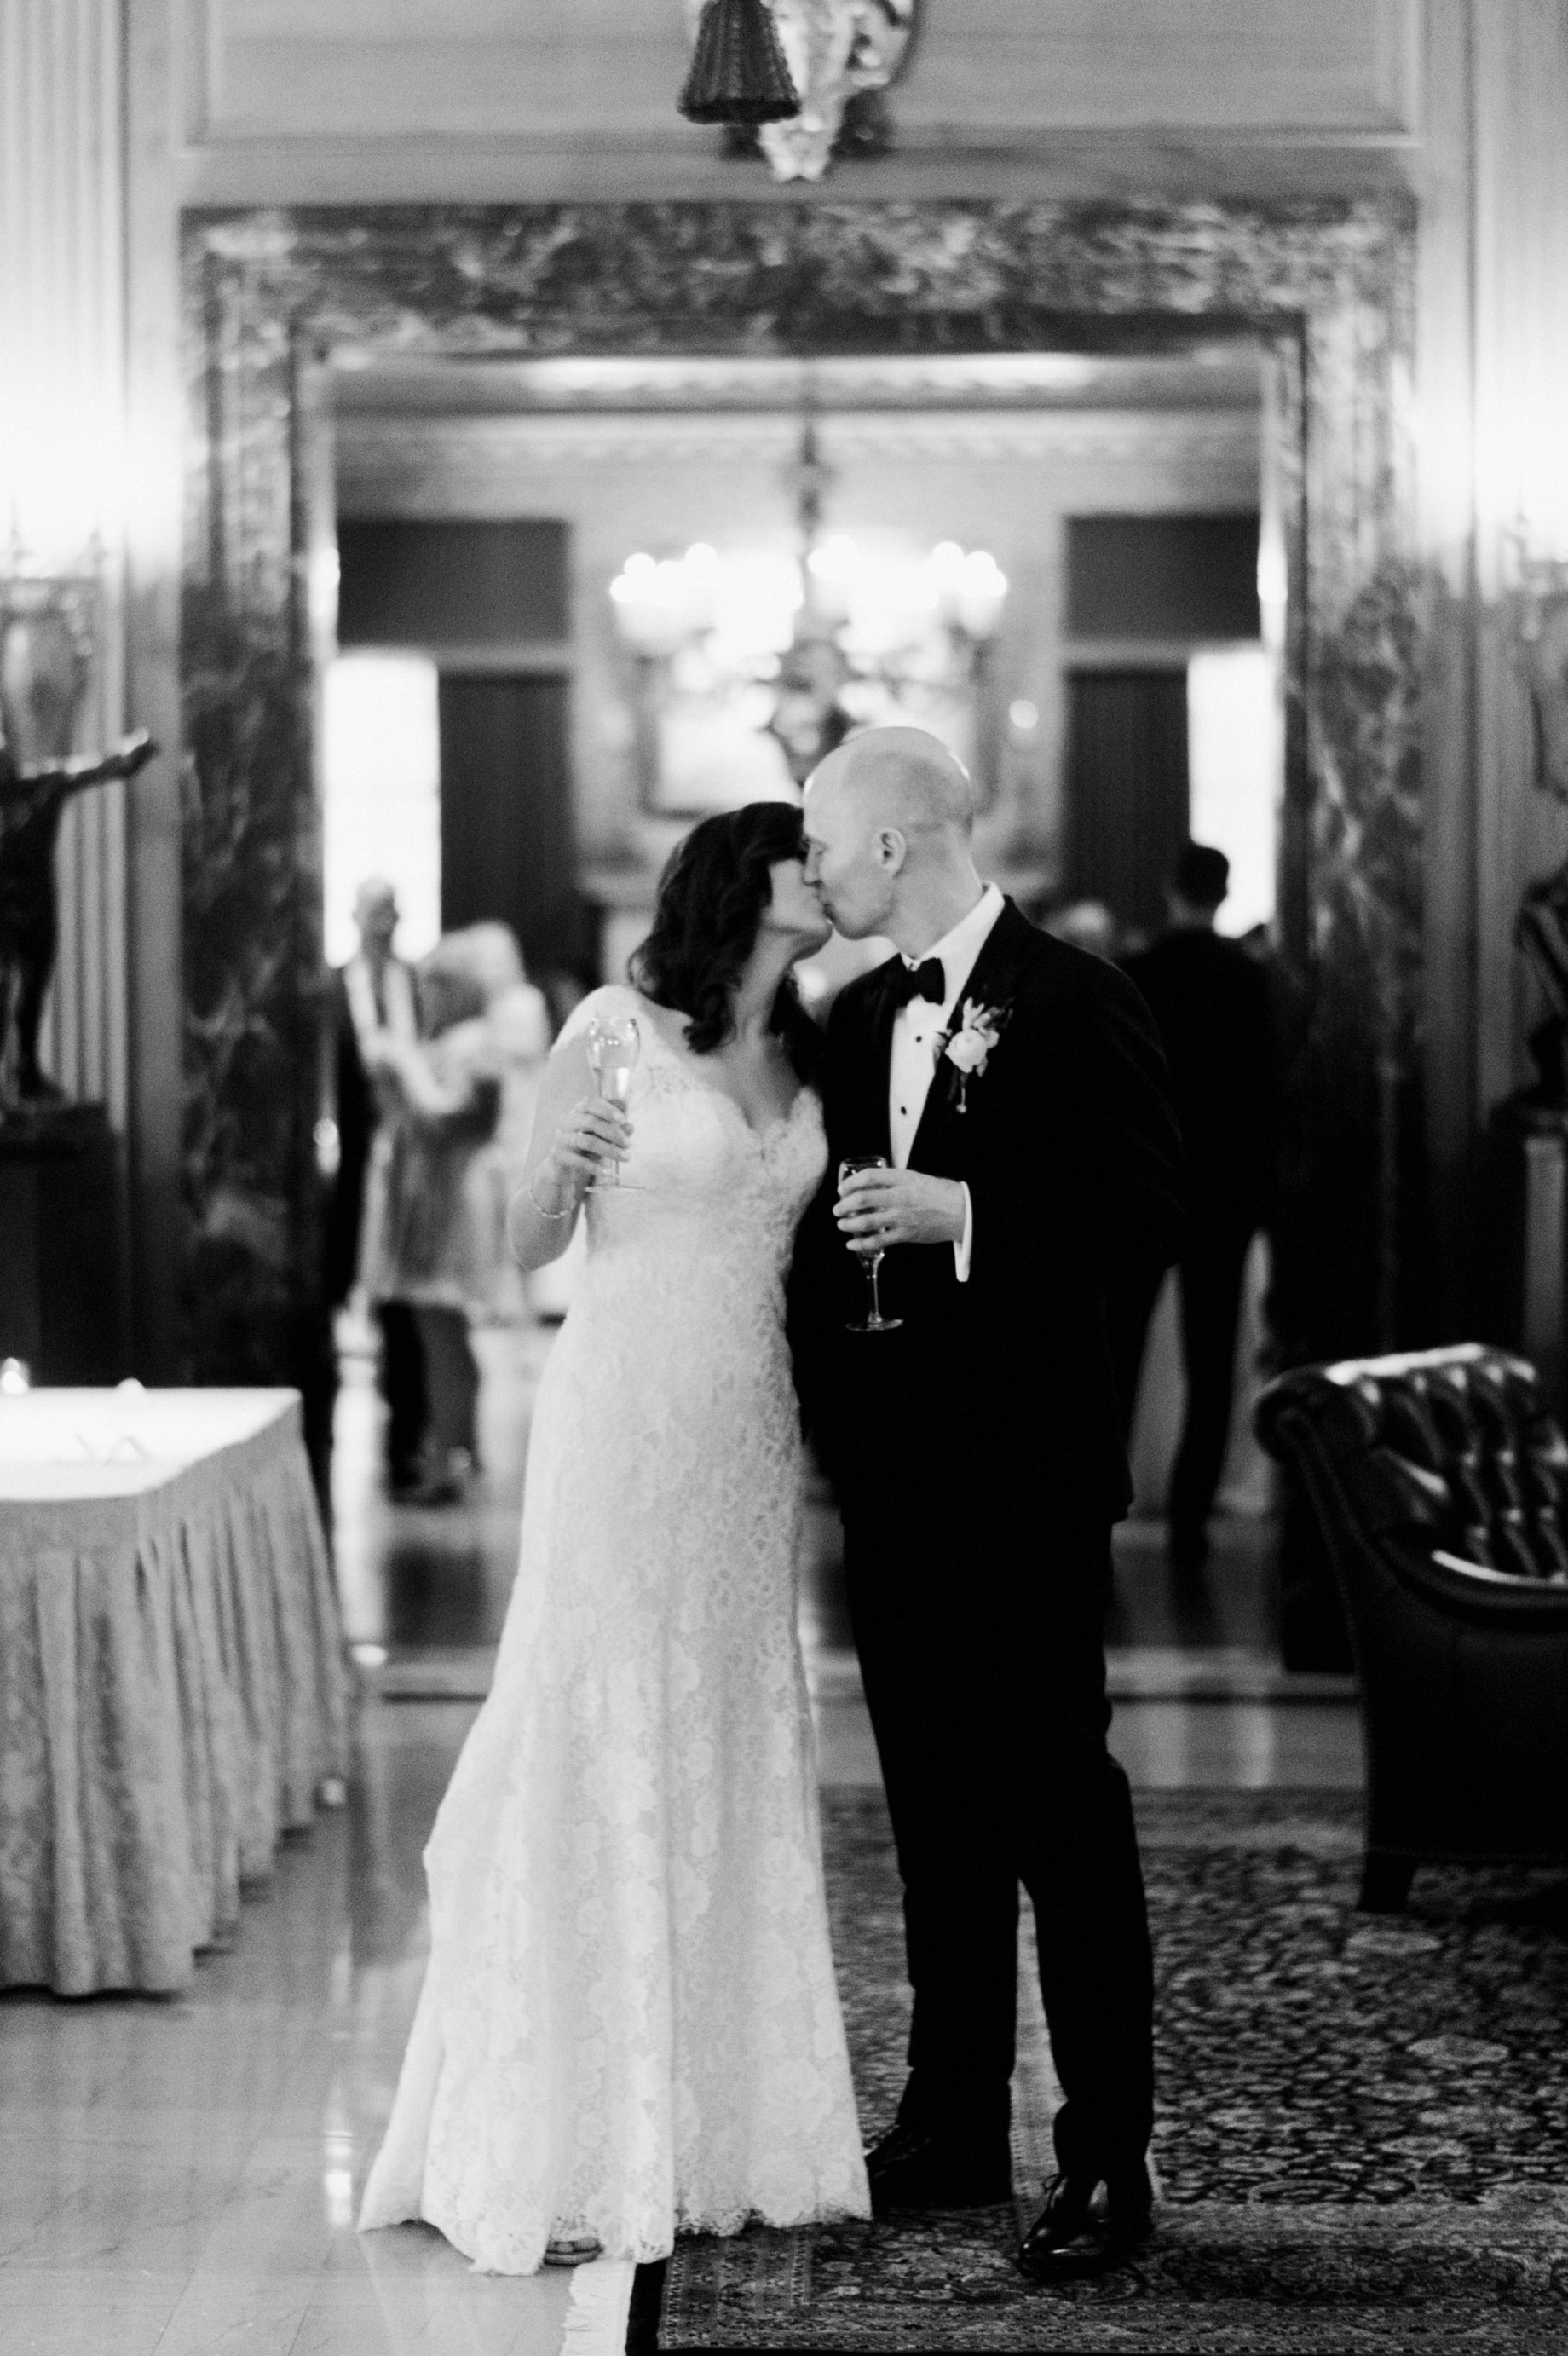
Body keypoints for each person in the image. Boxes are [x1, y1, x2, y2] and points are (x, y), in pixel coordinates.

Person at [358, 802, 870, 2272]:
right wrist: (557, 1170)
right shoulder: (614, 1024)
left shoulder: (820, 1045)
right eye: (803, 857)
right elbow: (519, 1241)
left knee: (731, 1714)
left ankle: (729, 2118)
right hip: (620, 1405)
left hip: (748, 1426)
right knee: (604, 1709)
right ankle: (580, 2117)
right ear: (746, 884)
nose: (824, 875)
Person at [789, 725, 1184, 2284]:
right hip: (890, 1488)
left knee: (1058, 1809)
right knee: (935, 1815)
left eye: (824, 838)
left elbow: (1157, 1207)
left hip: (1025, 1481)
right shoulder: (852, 1014)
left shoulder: (1082, 997)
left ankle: (1109, 2150)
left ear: (893, 842)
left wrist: (968, 1213)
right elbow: (819, 1244)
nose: (813, 866)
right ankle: (951, 2116)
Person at [1117, 841, 1277, 1579]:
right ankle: (1189, 1526)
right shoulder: (1251, 981)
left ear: (1168, 888)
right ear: (1224, 891)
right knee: (1212, 1367)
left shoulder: (1136, 975)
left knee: (1115, 1361)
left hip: (1144, 1191)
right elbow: (1268, 1096)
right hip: (1223, 1193)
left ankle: (1097, 1525)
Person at [358, 933, 505, 1506]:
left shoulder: (475, 1043)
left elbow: (448, 1115)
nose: (428, 999)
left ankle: (452, 1456)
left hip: (454, 1194)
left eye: (435, 987)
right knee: (440, 1331)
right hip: (441, 1190)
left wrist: (404, 1064)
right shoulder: (459, 1040)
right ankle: (457, 1449)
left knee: (442, 1328)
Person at [323, 879, 425, 1493]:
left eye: (390, 913)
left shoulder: (413, 982)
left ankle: (407, 1446)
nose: (382, 925)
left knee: (404, 1304)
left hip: (409, 1161)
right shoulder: (331, 986)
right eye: (372, 914)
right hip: (352, 1162)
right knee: (341, 1287)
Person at [456, 922, 553, 1324]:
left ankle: (525, 1311)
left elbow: (524, 1051)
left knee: (520, 1216)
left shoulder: (525, 1002)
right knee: (488, 1219)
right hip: (495, 1124)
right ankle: (493, 1302)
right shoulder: (485, 1009)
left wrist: (479, 1042)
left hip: (523, 1120)